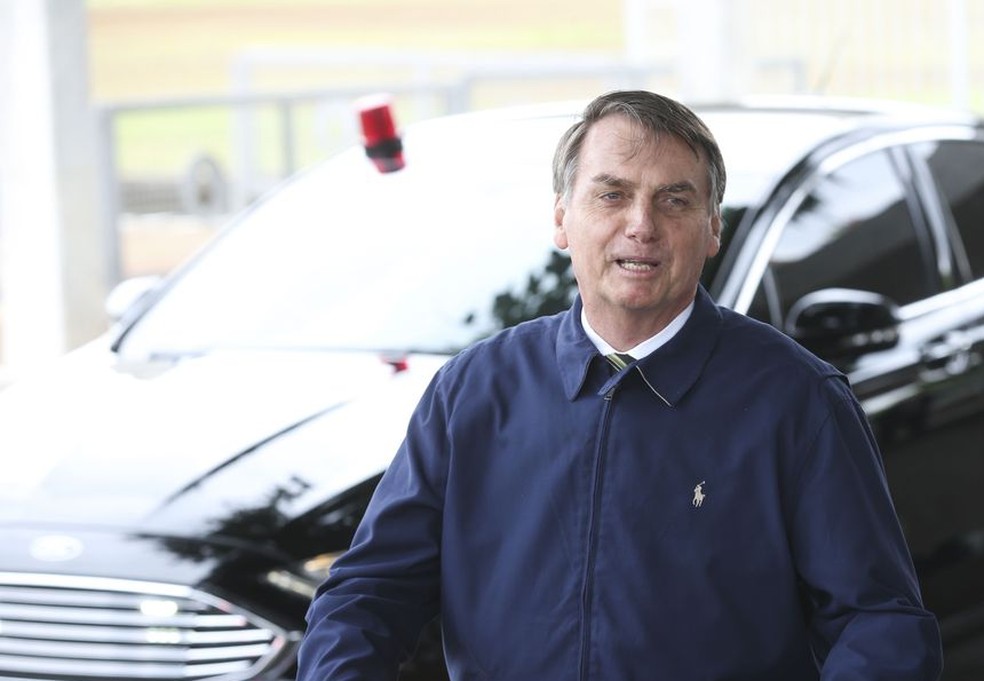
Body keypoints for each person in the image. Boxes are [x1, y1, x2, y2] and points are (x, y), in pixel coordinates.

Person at [297, 90, 943, 680]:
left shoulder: (798, 403)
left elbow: (878, 624)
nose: (642, 224)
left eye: (674, 198)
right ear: (561, 218)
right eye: (611, 194)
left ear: (712, 227)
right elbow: (364, 596)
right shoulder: (472, 392)